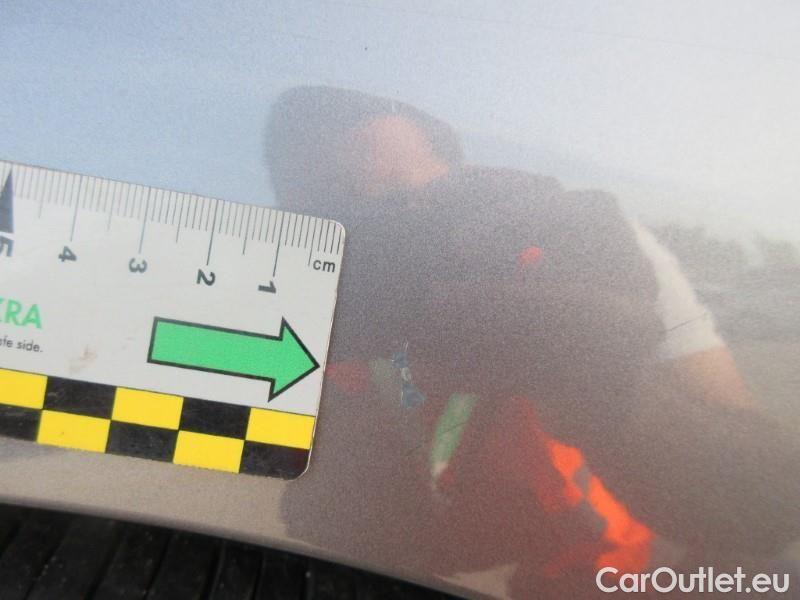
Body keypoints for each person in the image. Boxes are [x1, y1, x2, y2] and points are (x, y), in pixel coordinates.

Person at [267, 86, 800, 597]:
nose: (378, 234)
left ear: (466, 183)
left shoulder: (575, 247)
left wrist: (605, 392)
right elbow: (327, 525)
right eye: (331, 209)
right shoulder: (294, 305)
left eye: (403, 198)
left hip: (638, 573)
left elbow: (763, 503)